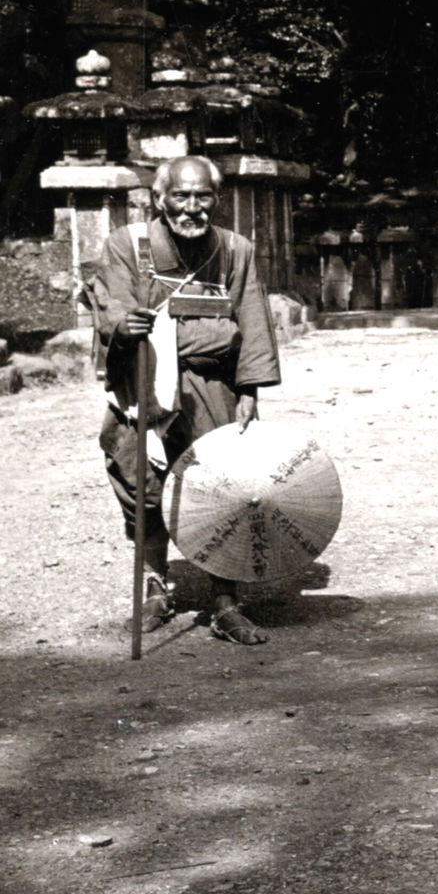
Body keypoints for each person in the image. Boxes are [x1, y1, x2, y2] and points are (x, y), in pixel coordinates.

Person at [94, 154, 281, 644]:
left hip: (213, 386)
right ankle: (155, 587)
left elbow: (254, 319)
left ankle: (225, 600)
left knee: (223, 488)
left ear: (216, 200)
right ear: (160, 199)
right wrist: (122, 323)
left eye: (203, 197)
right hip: (144, 381)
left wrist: (249, 389)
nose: (192, 208)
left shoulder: (235, 249)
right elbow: (110, 300)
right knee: (142, 486)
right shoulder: (127, 245)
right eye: (181, 196)